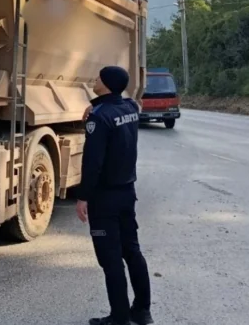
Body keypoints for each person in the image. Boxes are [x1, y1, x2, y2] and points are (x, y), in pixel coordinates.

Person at [76, 66, 153, 325]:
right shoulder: (129, 110)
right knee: (132, 250)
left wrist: (83, 197)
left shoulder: (100, 118)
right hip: (127, 193)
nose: (94, 80)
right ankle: (142, 311)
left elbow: (93, 163)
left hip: (105, 199)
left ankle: (119, 318)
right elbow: (131, 102)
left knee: (111, 260)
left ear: (107, 84)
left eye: (98, 78)